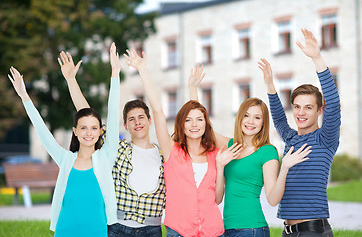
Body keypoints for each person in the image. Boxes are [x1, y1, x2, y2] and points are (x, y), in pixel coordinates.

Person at [123, 48, 244, 237]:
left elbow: (218, 198)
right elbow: (157, 112)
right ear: (182, 124)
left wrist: (220, 167)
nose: (194, 125)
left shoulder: (214, 154)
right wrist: (143, 70)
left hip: (213, 231)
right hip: (178, 231)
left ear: (206, 123)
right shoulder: (172, 151)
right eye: (188, 120)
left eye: (199, 120)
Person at [7, 42, 121, 236]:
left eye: (94, 128)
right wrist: (24, 95)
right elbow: (43, 132)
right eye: (83, 128)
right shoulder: (66, 159)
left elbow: (113, 109)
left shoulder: (106, 156)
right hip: (65, 229)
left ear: (101, 131)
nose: (89, 132)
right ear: (75, 131)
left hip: (97, 230)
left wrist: (115, 74)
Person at [59, 49, 165, 236]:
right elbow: (86, 113)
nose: (137, 122)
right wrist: (71, 80)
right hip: (119, 227)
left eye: (141, 117)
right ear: (125, 124)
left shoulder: (164, 154)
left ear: (149, 121)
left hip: (152, 228)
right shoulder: (117, 148)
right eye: (131, 119)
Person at [189, 77, 311, 237]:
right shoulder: (231, 145)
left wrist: (285, 168)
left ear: (263, 123)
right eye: (246, 115)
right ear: (240, 117)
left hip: (252, 228)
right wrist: (192, 89)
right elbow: (202, 126)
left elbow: (273, 199)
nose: (251, 121)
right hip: (226, 228)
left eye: (257, 117)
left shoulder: (267, 151)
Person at [259, 29, 341, 236]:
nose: (301, 113)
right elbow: (278, 117)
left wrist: (317, 58)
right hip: (288, 231)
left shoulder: (325, 138)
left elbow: (334, 103)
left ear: (319, 110)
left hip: (313, 230)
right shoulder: (290, 138)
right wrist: (269, 84)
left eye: (308, 107)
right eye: (296, 106)